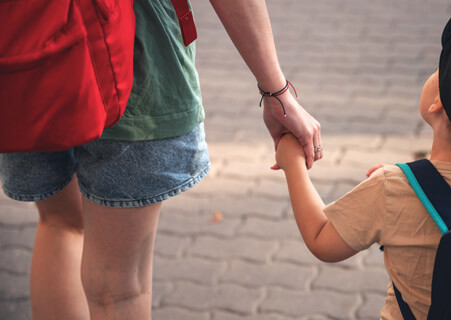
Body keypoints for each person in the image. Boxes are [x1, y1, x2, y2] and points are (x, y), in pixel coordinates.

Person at [0, 0, 322, 319]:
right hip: (131, 50)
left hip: (27, 43)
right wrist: (276, 91)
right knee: (120, 287)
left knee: (60, 224)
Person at [273, 0, 451, 319]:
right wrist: (406, 186)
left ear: (438, 103)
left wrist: (292, 162)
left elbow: (321, 237)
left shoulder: (390, 191)